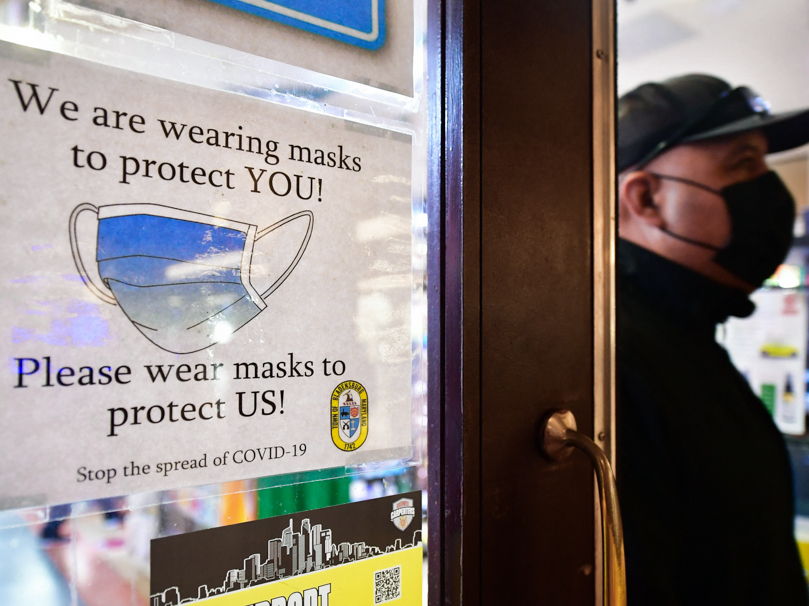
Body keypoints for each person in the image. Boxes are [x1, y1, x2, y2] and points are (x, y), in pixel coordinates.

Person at [617, 74, 809, 604]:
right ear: (646, 197)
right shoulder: (612, 362)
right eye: (743, 164)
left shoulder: (687, 338)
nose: (771, 190)